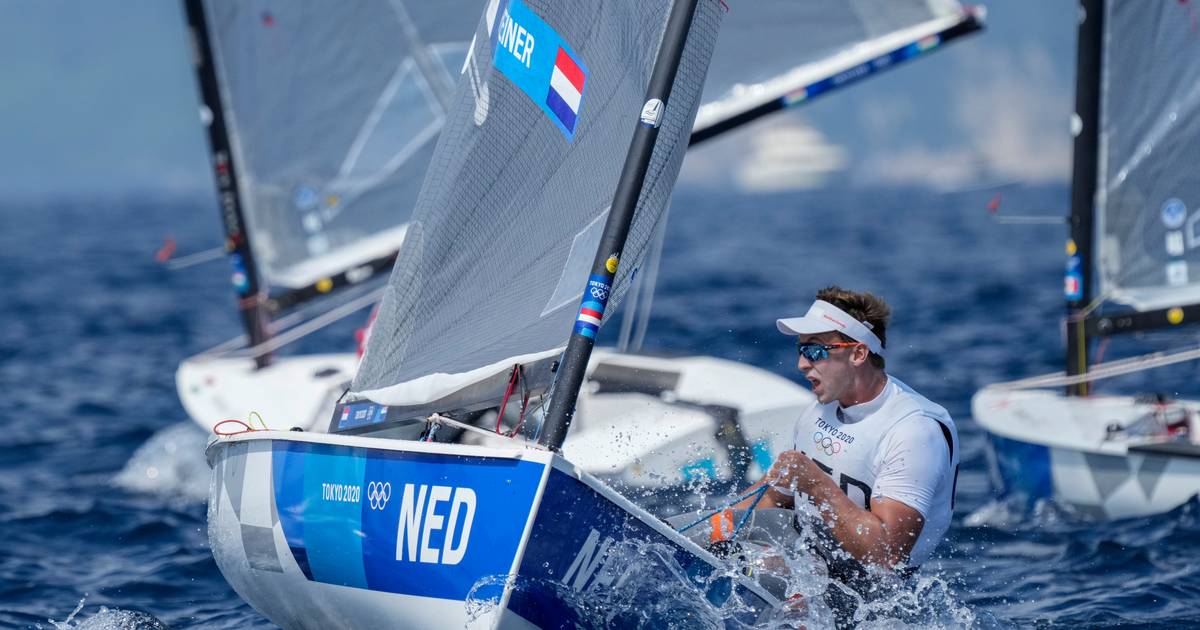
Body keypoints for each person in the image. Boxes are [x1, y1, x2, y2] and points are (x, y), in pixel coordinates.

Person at [735, 285, 959, 625]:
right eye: (800, 350)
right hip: (808, 570)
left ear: (857, 354)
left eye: (815, 351)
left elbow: (886, 557)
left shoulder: (914, 430)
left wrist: (815, 483)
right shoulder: (818, 410)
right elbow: (775, 495)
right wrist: (714, 530)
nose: (800, 364)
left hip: (872, 604)